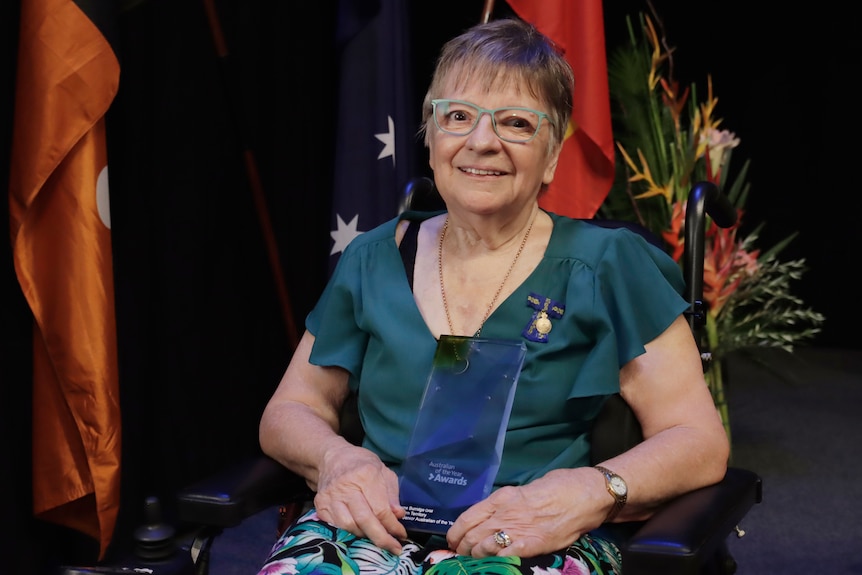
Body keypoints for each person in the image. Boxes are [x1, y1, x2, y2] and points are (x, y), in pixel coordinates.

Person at [256, 17, 729, 575]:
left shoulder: (608, 267)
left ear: (552, 154)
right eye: (457, 116)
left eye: (515, 123)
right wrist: (337, 459)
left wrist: (589, 491)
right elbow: (290, 410)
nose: (482, 141)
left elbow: (698, 440)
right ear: (430, 139)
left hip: (535, 527)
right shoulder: (373, 258)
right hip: (373, 524)